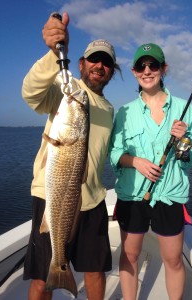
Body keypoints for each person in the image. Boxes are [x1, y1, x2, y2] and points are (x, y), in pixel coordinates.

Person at [22, 12, 121, 300]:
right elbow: (31, 94)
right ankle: (57, 270)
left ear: (112, 71)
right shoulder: (67, 91)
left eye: (106, 62)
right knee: (41, 278)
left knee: (95, 271)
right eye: (93, 59)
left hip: (92, 200)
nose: (99, 66)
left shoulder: (109, 108)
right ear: (82, 64)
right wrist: (54, 53)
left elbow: (106, 150)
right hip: (51, 196)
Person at [109, 43, 192, 300]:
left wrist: (183, 142)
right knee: (129, 256)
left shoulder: (184, 109)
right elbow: (114, 152)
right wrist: (135, 162)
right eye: (142, 65)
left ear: (164, 69)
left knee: (173, 259)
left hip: (170, 195)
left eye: (153, 65)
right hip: (133, 195)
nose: (147, 70)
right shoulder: (124, 113)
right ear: (133, 71)